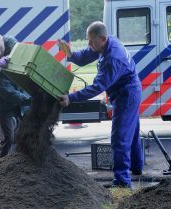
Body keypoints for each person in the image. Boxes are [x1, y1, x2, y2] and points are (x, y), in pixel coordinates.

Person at [58, 21, 143, 188]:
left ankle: (122, 183)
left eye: (92, 42)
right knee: (131, 134)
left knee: (119, 139)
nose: (90, 45)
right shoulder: (106, 43)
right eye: (88, 41)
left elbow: (97, 87)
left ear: (102, 38)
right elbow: (85, 56)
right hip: (128, 90)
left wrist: (71, 98)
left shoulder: (113, 58)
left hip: (127, 95)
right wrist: (70, 54)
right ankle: (136, 167)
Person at [0, 30, 30, 158]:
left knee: (30, 130)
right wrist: (27, 99)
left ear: (3, 41)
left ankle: (30, 161)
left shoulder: (14, 46)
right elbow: (5, 90)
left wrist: (12, 58)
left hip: (20, 94)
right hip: (3, 102)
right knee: (8, 137)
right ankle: (1, 166)